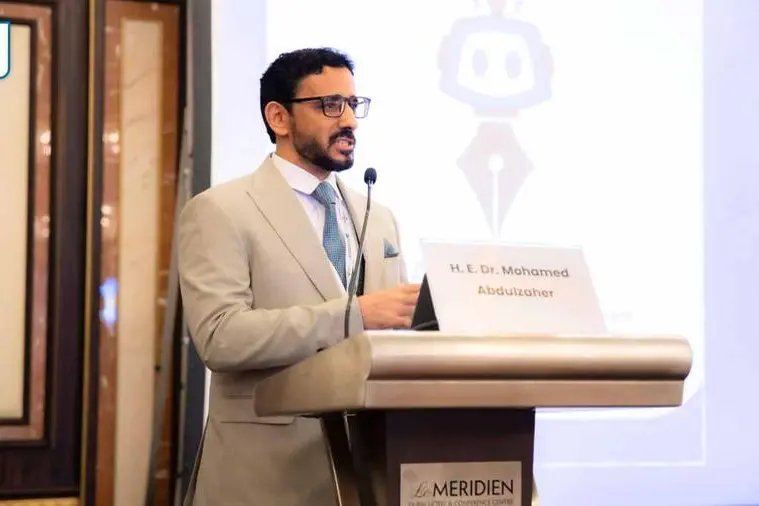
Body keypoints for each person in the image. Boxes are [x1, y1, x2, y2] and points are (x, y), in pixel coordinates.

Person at [178, 47, 421, 506]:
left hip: (369, 470)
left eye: (353, 104)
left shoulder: (380, 216)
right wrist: (354, 315)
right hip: (265, 477)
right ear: (279, 117)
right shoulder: (220, 210)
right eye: (331, 105)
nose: (349, 121)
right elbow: (219, 338)